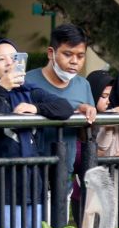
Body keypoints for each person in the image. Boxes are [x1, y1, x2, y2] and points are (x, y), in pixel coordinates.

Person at [0, 39, 74, 228]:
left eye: (14, 57)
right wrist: (2, 88)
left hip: (32, 186)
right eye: (1, 59)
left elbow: (65, 108)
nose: (9, 63)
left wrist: (36, 109)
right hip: (1, 189)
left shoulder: (31, 90)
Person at [24, 24, 98, 177]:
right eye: (68, 54)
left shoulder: (83, 85)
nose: (74, 61)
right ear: (51, 53)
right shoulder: (27, 81)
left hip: (64, 174)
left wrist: (87, 118)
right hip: (29, 173)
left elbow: (86, 137)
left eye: (80, 56)